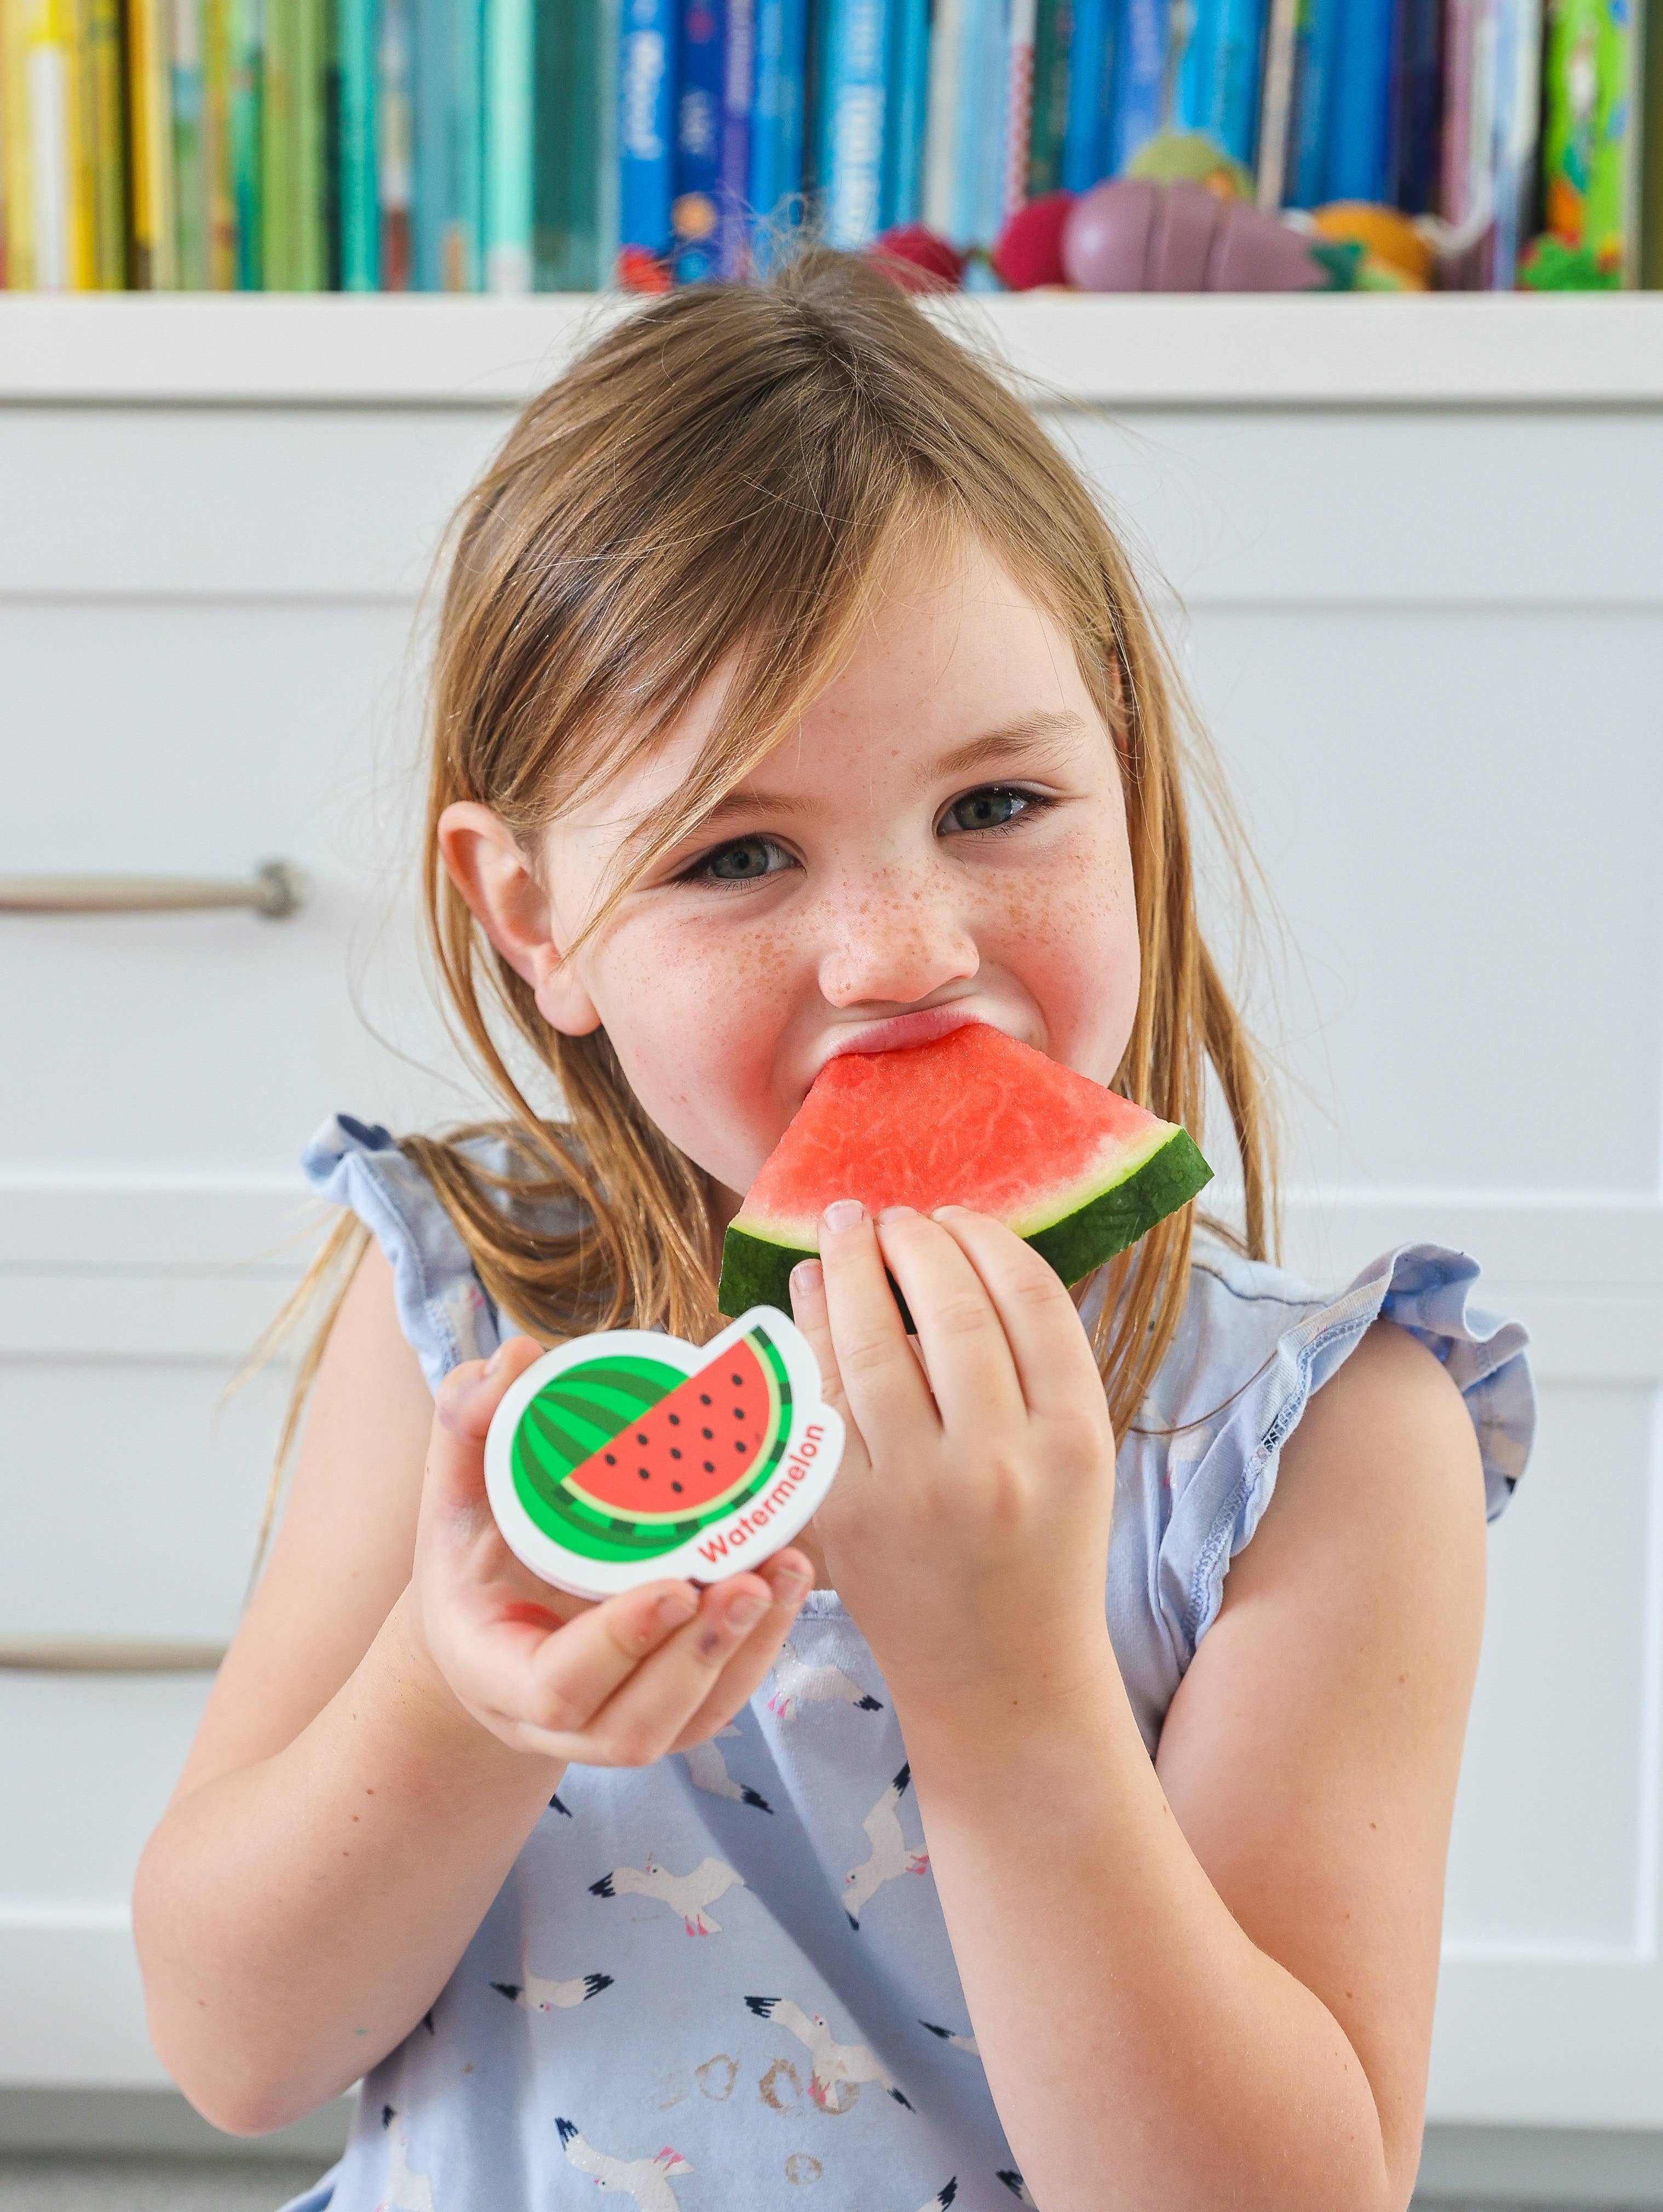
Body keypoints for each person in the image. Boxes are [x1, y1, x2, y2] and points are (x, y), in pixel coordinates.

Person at [132, 251, 1533, 2212]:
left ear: (1122, 778)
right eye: (739, 850)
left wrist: (1013, 1691)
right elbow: (232, 2043)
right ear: (533, 915)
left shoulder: (1308, 1443)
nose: (905, 958)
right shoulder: (482, 1315)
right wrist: (468, 1694)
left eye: (997, 804)